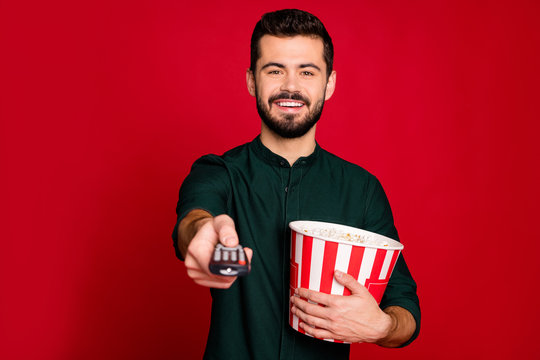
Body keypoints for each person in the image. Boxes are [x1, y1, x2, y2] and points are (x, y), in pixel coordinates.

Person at [172, 9, 420, 360]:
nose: (290, 86)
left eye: (307, 71)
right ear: (251, 81)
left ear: (329, 84)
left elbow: (406, 309)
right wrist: (202, 234)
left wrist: (382, 327)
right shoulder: (219, 172)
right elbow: (194, 224)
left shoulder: (362, 190)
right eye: (275, 71)